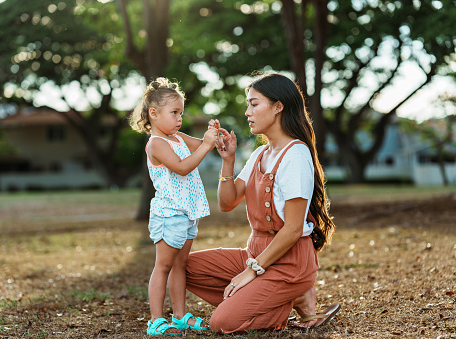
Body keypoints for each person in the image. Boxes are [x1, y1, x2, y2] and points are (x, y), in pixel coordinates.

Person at [185, 72, 340, 333]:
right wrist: (228, 160)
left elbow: (292, 229)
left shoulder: (296, 154)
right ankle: (285, 297)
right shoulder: (259, 153)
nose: (247, 112)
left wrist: (252, 272)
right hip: (255, 252)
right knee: (183, 266)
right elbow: (227, 203)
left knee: (222, 323)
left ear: (278, 107)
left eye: (254, 104)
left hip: (290, 262)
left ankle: (287, 297)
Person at [129, 77, 217, 336]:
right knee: (164, 266)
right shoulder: (156, 144)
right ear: (153, 114)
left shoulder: (177, 138)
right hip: (169, 214)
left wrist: (210, 136)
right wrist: (207, 145)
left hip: (187, 213)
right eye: (174, 113)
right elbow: (183, 167)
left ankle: (180, 316)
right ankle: (156, 320)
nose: (179, 118)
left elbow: (201, 147)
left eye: (181, 113)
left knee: (180, 265)